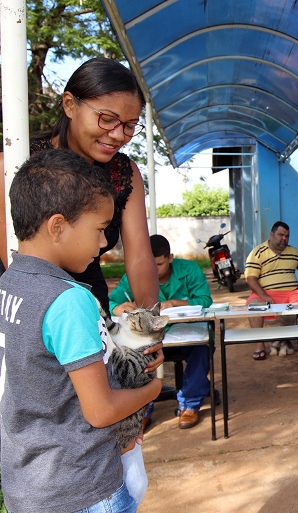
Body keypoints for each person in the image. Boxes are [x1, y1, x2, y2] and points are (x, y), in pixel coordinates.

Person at [0, 149, 162, 513]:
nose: (104, 244)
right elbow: (101, 410)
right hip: (82, 489)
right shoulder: (69, 300)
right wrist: (153, 388)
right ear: (58, 226)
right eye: (100, 229)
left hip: (27, 487)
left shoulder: (9, 284)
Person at [1, 57, 160, 316]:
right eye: (107, 119)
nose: (119, 135)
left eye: (130, 125)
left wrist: (147, 324)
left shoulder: (123, 173)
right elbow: (12, 259)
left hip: (91, 305)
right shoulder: (15, 163)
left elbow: (140, 257)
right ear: (69, 105)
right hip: (24, 309)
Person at [110, 234, 213, 430]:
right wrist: (121, 308)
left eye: (158, 264)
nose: (153, 270)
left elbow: (205, 300)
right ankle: (143, 409)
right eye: (150, 264)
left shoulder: (189, 270)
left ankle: (190, 405)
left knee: (201, 347)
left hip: (187, 335)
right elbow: (111, 302)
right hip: (150, 341)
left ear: (170, 258)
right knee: (132, 356)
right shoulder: (134, 275)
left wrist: (176, 303)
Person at [244, 221, 298, 360]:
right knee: (253, 304)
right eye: (280, 235)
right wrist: (263, 295)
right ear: (271, 234)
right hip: (266, 293)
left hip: (292, 293)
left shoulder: (294, 252)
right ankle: (259, 345)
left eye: (287, 236)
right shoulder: (258, 252)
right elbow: (250, 278)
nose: (284, 238)